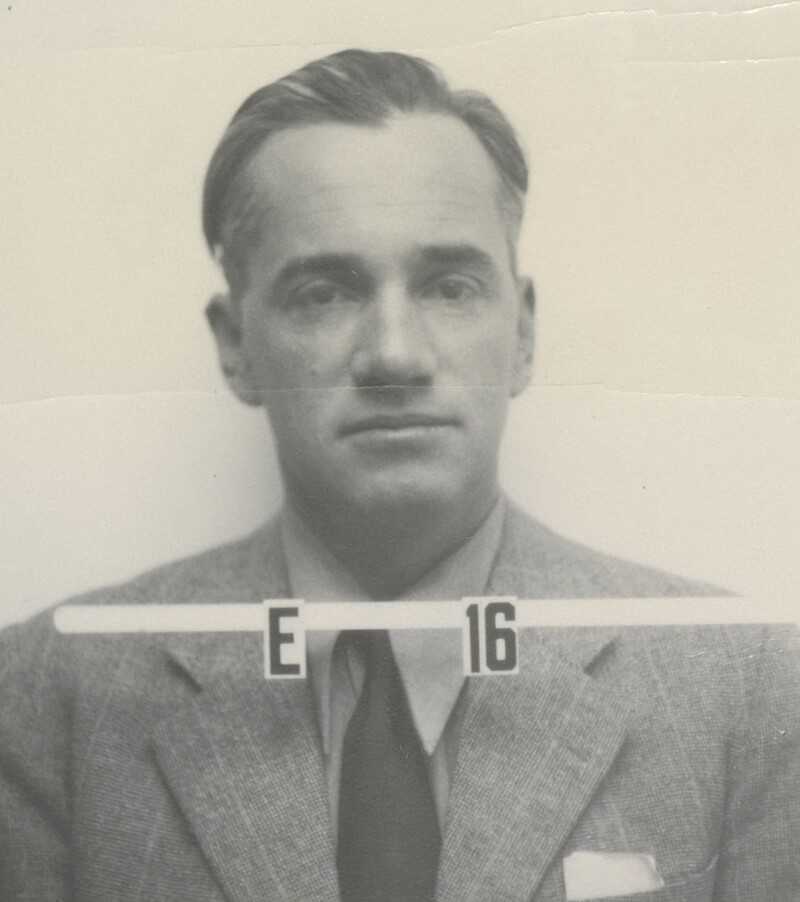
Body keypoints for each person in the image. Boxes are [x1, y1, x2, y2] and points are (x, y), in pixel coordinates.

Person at [1, 49, 798, 902]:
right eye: (324, 293)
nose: (394, 355)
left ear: (523, 335)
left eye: (449, 287)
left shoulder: (745, 690)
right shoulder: (47, 700)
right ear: (235, 346)